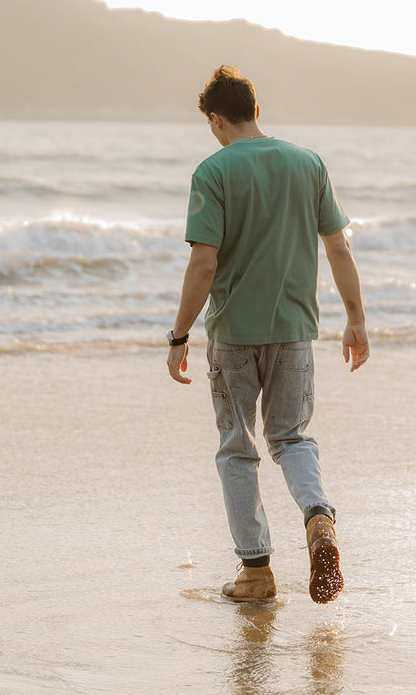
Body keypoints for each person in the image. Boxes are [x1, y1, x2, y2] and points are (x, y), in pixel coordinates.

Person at [166, 65, 369, 604]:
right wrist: (356, 320)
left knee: (238, 449)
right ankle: (318, 515)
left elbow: (204, 264)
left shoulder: (213, 171)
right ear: (256, 110)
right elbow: (339, 247)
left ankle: (256, 573)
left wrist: (179, 336)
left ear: (215, 119)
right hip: (294, 332)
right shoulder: (309, 164)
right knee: (292, 438)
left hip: (234, 336)